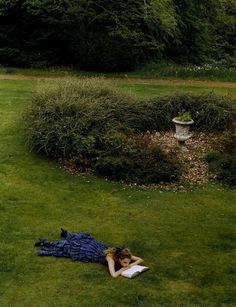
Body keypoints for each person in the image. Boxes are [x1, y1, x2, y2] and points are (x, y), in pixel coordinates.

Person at [34, 229, 144, 278]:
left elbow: (140, 260)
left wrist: (131, 264)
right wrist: (123, 269)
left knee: (75, 242)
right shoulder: (110, 258)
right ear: (119, 258)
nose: (127, 263)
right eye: (124, 262)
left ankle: (66, 234)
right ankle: (46, 244)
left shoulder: (125, 256)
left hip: (97, 247)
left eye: (128, 261)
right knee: (68, 249)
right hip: (88, 252)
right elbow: (114, 275)